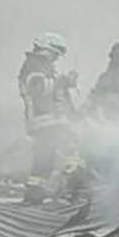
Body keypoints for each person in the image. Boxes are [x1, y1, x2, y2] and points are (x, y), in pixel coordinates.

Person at [17, 31, 80, 203]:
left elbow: (58, 97)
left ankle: (37, 194)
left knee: (49, 158)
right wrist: (64, 81)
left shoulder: (44, 66)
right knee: (55, 156)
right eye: (55, 54)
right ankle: (62, 192)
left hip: (51, 121)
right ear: (46, 48)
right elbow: (38, 88)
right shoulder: (33, 65)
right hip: (43, 120)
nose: (56, 58)